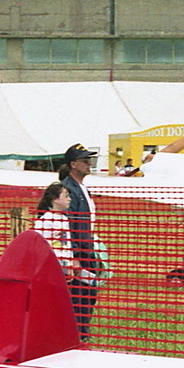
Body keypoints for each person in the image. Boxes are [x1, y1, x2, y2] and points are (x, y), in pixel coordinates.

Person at [57, 144, 106, 341]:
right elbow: (68, 226)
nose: (89, 164)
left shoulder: (80, 188)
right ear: (73, 164)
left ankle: (81, 334)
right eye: (85, 161)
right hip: (78, 254)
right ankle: (76, 336)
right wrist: (75, 256)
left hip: (87, 250)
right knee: (79, 295)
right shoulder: (68, 190)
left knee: (88, 293)